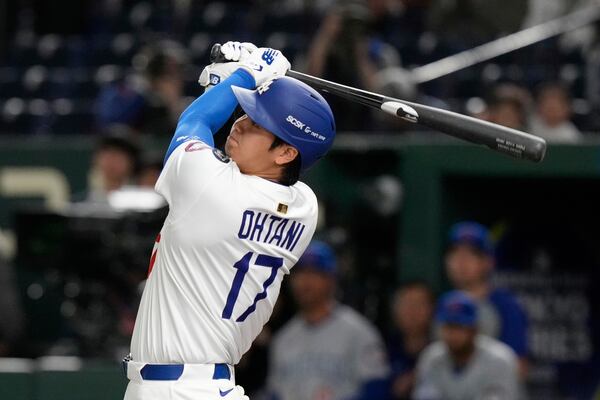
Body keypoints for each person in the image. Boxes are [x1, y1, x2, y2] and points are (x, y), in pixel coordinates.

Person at [122, 41, 336, 400]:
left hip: (177, 389)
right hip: (204, 385)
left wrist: (245, 74)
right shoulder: (304, 207)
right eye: (244, 112)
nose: (239, 122)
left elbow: (195, 123)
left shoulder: (212, 189)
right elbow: (229, 163)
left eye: (256, 123)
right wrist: (233, 89)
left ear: (286, 151)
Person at [267, 240, 389, 400]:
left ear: (331, 279)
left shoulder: (359, 332)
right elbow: (275, 393)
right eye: (300, 273)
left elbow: (377, 390)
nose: (305, 281)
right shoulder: (282, 339)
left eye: (314, 273)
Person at [445, 221, 529, 376]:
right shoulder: (442, 303)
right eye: (455, 252)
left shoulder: (506, 306)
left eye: (472, 254)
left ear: (488, 262)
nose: (461, 261)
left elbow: (519, 368)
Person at [414, 291, 521, 400]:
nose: (453, 334)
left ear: (474, 329)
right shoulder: (431, 358)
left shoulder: (499, 359)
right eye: (448, 327)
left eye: (459, 327)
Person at [387, 282, 435, 400]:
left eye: (419, 304)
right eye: (406, 304)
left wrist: (416, 377)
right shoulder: (384, 346)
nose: (412, 311)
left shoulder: (443, 348)